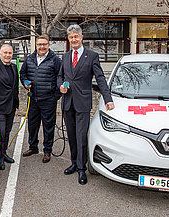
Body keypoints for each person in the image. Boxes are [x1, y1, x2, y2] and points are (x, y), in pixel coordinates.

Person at [57, 24, 115, 185]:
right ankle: (74, 163)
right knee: (71, 135)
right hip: (68, 102)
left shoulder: (92, 56)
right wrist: (60, 85)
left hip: (83, 103)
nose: (74, 39)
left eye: (76, 36)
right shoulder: (65, 56)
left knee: (81, 136)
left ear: (81, 38)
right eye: (71, 37)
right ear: (68, 39)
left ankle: (82, 168)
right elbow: (60, 76)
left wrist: (108, 98)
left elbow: (100, 78)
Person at [20, 35, 61, 163]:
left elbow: (60, 78)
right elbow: (23, 74)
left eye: (44, 44)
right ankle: (33, 147)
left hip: (48, 99)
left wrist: (55, 97)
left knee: (48, 126)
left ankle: (47, 150)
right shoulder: (30, 59)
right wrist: (25, 82)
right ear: (36, 45)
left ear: (49, 45)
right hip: (33, 99)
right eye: (39, 44)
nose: (42, 47)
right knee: (32, 125)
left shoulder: (55, 60)